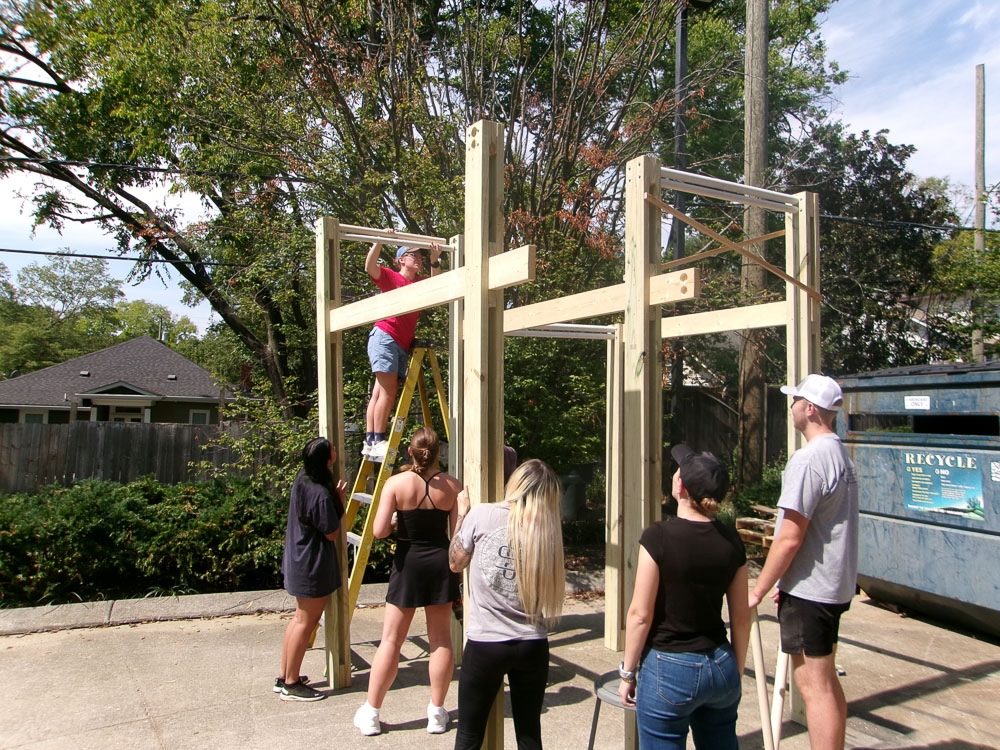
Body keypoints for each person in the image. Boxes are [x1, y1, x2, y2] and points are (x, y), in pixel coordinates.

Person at [748, 374, 859, 750]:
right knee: (824, 680)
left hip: (814, 593)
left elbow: (790, 537)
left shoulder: (809, 460)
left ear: (810, 409)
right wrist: (786, 583)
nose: (791, 407)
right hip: (830, 585)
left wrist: (759, 589)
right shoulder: (839, 453)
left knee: (814, 686)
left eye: (795, 401)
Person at [618, 445, 750, 749]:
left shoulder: (658, 537)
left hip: (669, 667)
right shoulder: (732, 541)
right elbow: (741, 619)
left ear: (680, 486)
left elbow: (640, 614)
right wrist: (736, 673)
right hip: (721, 663)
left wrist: (627, 672)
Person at [448, 459, 566, 750]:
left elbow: (455, 563)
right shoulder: (548, 531)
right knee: (528, 735)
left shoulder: (483, 515)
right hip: (532, 645)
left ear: (516, 482)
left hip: (486, 644)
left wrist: (461, 515)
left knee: (468, 735)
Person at [353, 426, 462, 736]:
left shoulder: (395, 484)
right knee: (441, 640)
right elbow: (457, 537)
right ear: (438, 453)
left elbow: (378, 532)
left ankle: (372, 713)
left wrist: (395, 520)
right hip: (440, 563)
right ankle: (437, 714)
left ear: (410, 452)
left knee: (391, 640)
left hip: (408, 562)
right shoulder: (453, 486)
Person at [277, 436, 347, 701]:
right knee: (305, 623)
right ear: (327, 460)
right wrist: (338, 500)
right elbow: (331, 533)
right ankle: (292, 684)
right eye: (333, 450)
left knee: (298, 619)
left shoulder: (303, 479)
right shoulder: (319, 494)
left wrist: (333, 496)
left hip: (298, 559)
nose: (336, 451)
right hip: (311, 565)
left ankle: (285, 675)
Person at [363, 233, 444, 461]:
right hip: (386, 337)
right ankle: (377, 440)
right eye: (412, 255)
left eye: (420, 255)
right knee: (387, 393)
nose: (418, 258)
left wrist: (435, 259)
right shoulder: (390, 277)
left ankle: (370, 441)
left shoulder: (417, 284)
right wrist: (379, 241)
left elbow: (436, 286)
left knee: (379, 392)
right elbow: (370, 266)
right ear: (400, 260)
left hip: (399, 342)